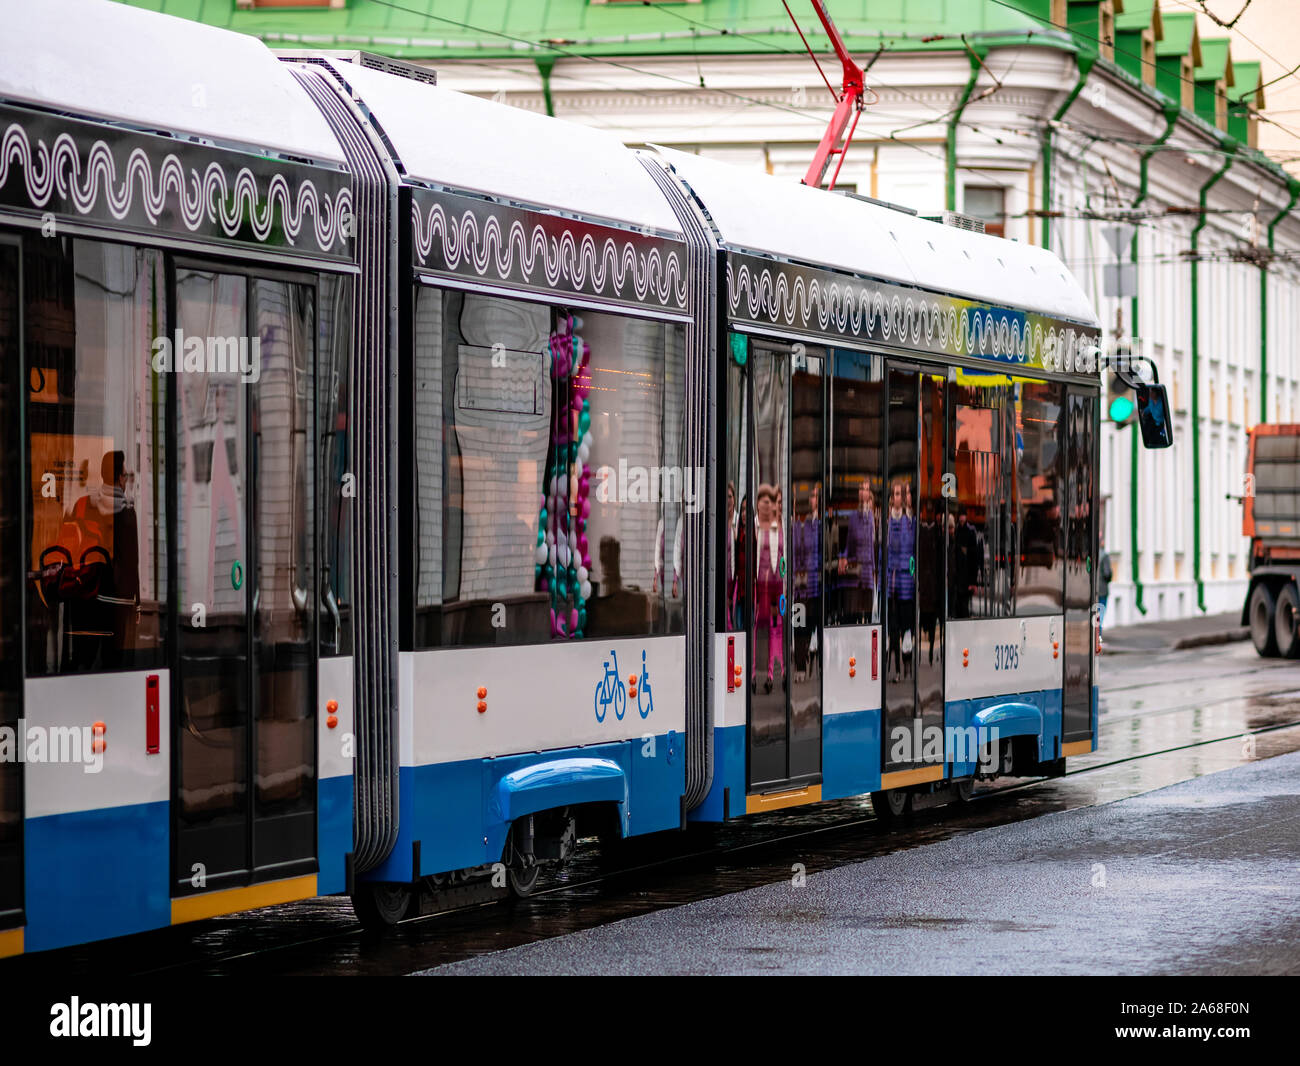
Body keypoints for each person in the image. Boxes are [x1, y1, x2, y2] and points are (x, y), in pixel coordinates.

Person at [885, 480, 915, 682]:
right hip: (891, 585)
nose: (899, 498)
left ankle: (907, 664)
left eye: (902, 494)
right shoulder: (887, 524)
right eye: (896, 494)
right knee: (893, 629)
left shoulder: (910, 523)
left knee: (906, 627)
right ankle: (896, 668)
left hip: (907, 585)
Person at [838, 481, 878, 624]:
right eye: (861, 489)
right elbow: (848, 544)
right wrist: (843, 558)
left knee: (868, 614)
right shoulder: (853, 518)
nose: (863, 492)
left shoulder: (873, 518)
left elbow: (874, 547)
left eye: (866, 489)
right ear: (858, 493)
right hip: (857, 572)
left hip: (868, 572)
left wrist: (874, 572)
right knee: (855, 612)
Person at [1097, 536, 1112, 638]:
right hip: (1102, 590)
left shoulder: (1093, 554)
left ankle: (1095, 636)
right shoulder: (1104, 556)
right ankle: (1099, 637)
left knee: (1095, 615)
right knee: (1100, 616)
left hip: (1094, 590)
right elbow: (1107, 573)